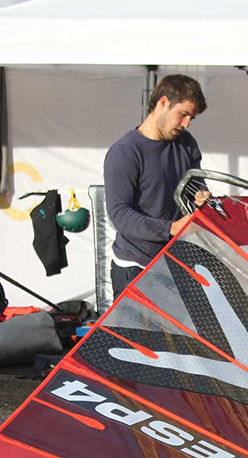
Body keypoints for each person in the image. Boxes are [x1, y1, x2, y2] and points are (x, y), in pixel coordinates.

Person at [103, 74, 210, 299]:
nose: (186, 124)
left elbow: (196, 188)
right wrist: (171, 228)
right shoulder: (125, 151)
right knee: (137, 337)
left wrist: (201, 198)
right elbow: (119, 215)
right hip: (135, 267)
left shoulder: (187, 143)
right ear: (163, 103)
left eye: (191, 118)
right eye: (183, 114)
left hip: (178, 264)